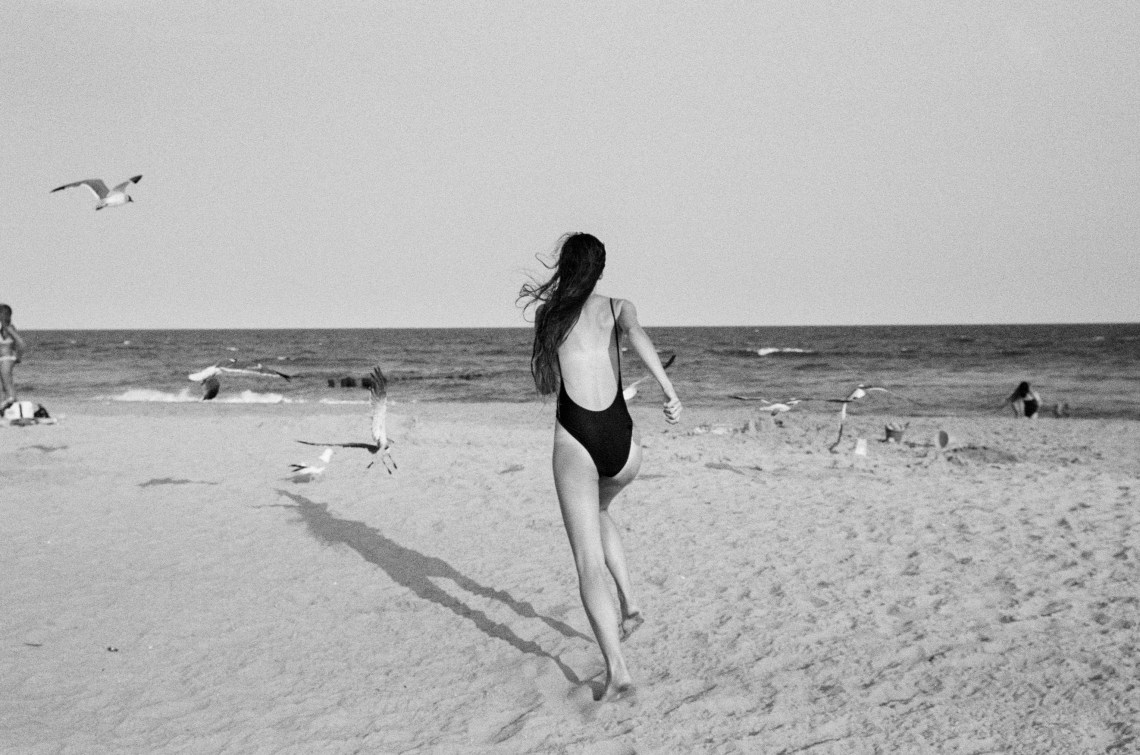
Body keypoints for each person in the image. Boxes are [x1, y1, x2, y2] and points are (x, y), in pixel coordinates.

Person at [519, 233, 681, 701]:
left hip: (576, 439)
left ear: (566, 268)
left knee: (588, 564)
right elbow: (636, 336)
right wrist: (669, 392)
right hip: (623, 447)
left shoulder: (551, 315)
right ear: (601, 269)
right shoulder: (618, 306)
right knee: (602, 508)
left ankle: (618, 672)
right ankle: (630, 604)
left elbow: (547, 379)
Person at [0, 304, 27, 413]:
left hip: (7, 359)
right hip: (3, 359)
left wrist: (18, 357)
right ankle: (5, 410)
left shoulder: (9, 328)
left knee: (7, 383)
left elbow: (21, 343)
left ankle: (15, 408)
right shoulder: (3, 328)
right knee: (2, 385)